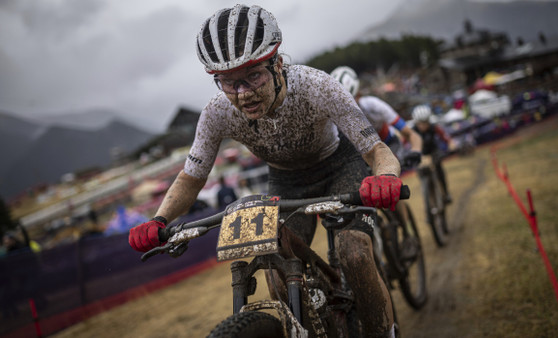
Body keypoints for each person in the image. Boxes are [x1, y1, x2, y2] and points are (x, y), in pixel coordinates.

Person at [129, 5, 403, 337]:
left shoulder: (317, 86)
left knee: (354, 252)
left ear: (278, 64)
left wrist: (385, 177)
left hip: (339, 166)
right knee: (275, 270)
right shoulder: (217, 112)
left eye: (253, 77)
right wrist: (159, 220)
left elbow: (376, 150)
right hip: (286, 180)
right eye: (228, 83)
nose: (243, 95)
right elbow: (191, 177)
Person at [330, 66, 423, 170]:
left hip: (389, 143)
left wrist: (416, 152)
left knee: (388, 174)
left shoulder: (374, 105)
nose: (347, 110)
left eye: (351, 102)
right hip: (363, 154)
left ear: (359, 95)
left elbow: (410, 133)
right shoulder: (337, 120)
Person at [411, 104, 453, 204]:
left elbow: (445, 137)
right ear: (416, 122)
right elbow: (404, 142)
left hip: (433, 151)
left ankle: (446, 193)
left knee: (439, 169)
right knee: (421, 172)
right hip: (420, 154)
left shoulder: (434, 127)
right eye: (420, 123)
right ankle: (428, 197)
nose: (423, 125)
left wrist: (450, 144)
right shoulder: (412, 130)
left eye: (425, 122)